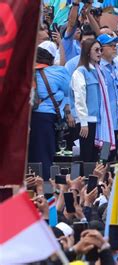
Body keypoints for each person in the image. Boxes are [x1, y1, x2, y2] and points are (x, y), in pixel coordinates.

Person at [29, 46, 70, 180]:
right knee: (45, 155)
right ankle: (46, 187)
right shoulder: (58, 72)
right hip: (46, 118)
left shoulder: (26, 73)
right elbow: (67, 90)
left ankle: (31, 186)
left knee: (31, 156)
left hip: (27, 118)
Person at [71, 39, 103, 162]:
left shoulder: (99, 71)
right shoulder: (80, 72)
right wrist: (83, 122)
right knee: (86, 155)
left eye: (100, 50)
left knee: (97, 156)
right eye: (96, 50)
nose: (99, 52)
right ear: (87, 52)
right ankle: (85, 180)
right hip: (87, 120)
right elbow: (79, 98)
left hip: (100, 120)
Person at [97, 33, 118, 160]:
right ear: (100, 49)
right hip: (105, 123)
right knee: (104, 157)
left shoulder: (116, 67)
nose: (115, 48)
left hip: (117, 121)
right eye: (111, 45)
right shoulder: (98, 69)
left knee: (115, 157)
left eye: (116, 45)